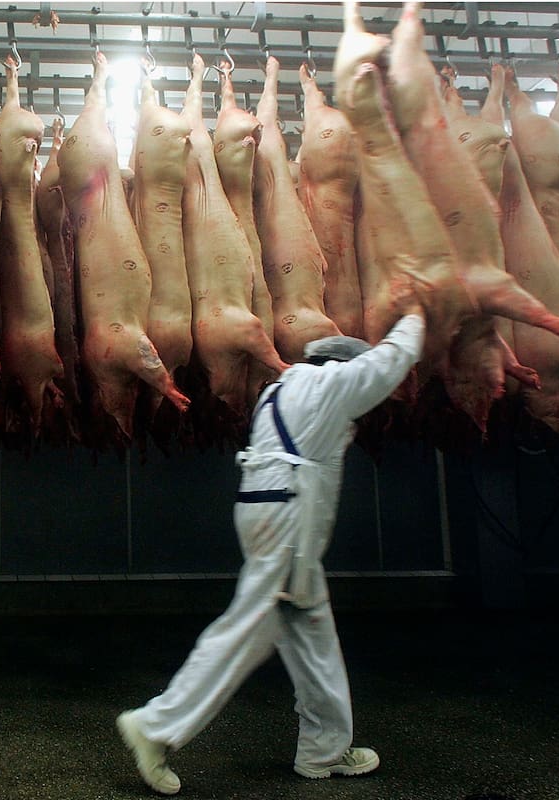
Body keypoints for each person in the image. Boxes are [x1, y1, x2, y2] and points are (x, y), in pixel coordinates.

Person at [117, 310, 425, 795]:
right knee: (248, 630)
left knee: (310, 629)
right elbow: (388, 365)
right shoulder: (329, 387)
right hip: (287, 519)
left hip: (269, 511)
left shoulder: (280, 390)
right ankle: (155, 727)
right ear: (339, 367)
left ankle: (324, 750)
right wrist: (416, 318)